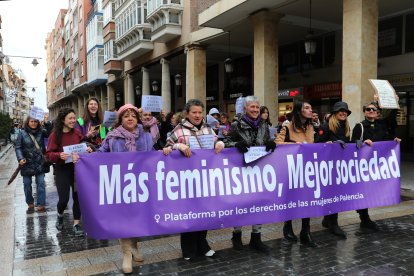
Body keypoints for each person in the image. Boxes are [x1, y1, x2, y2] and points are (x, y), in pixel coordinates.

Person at [163, 99, 225, 260]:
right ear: (187, 114)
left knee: (204, 213)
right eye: (194, 112)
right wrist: (178, 146)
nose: (197, 115)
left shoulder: (208, 128)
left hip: (205, 178)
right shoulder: (178, 129)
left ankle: (202, 244)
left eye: (199, 112)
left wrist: (220, 144)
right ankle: (188, 248)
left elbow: (216, 142)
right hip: (187, 180)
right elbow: (166, 147)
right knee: (189, 213)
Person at [98, 104, 153, 273]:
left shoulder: (146, 135)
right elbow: (101, 153)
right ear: (120, 119)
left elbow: (153, 153)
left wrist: (164, 152)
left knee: (137, 217)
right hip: (121, 183)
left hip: (140, 183)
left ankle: (135, 246)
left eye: (133, 116)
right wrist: (85, 156)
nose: (130, 118)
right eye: (126, 116)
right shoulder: (112, 136)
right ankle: (126, 253)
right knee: (123, 218)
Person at [225, 96, 276, 253]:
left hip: (259, 169)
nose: (255, 110)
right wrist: (236, 145)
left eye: (257, 107)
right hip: (241, 169)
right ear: (245, 109)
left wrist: (271, 143)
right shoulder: (236, 124)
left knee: (259, 203)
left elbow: (268, 139)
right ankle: (237, 235)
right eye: (252, 107)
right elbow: (225, 142)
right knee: (240, 203)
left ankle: (256, 237)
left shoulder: (263, 125)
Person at [351, 100, 401, 231]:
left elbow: (387, 136)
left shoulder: (381, 125)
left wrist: (393, 141)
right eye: (368, 109)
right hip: (364, 165)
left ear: (377, 112)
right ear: (364, 112)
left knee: (371, 190)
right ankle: (364, 218)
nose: (371, 111)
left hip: (377, 165)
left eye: (373, 109)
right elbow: (352, 143)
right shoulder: (359, 126)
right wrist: (361, 142)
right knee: (363, 190)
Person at [275, 101, 317, 247]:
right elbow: (278, 143)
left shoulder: (311, 126)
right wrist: (296, 146)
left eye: (311, 107)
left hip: (307, 168)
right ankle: (288, 226)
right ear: (299, 111)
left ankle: (306, 231)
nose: (310, 110)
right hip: (292, 169)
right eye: (307, 107)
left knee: (307, 199)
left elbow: (314, 144)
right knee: (292, 198)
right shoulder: (287, 126)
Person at [46, 108, 92, 237]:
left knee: (77, 197)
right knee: (64, 199)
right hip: (62, 169)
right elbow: (48, 154)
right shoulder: (55, 135)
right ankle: (60, 214)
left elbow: (83, 145)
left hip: (77, 169)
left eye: (74, 118)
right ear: (63, 120)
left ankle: (76, 224)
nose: (73, 121)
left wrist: (88, 148)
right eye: (70, 118)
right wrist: (59, 155)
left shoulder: (77, 133)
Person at [315, 101, 352, 239]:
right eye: (340, 111)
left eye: (345, 111)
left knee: (335, 194)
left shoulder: (346, 127)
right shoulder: (325, 127)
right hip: (328, 167)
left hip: (340, 167)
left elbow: (347, 144)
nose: (343, 113)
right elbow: (317, 144)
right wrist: (328, 144)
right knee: (332, 195)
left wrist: (358, 142)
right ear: (335, 113)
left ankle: (327, 220)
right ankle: (333, 223)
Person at [15, 117, 49, 213]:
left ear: (38, 122)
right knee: (26, 184)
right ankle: (30, 201)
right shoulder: (22, 133)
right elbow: (18, 147)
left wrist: (46, 122)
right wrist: (20, 158)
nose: (33, 123)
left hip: (39, 162)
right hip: (26, 163)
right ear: (28, 122)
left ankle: (41, 204)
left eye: (35, 121)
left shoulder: (42, 131)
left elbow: (51, 133)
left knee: (41, 183)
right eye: (32, 121)